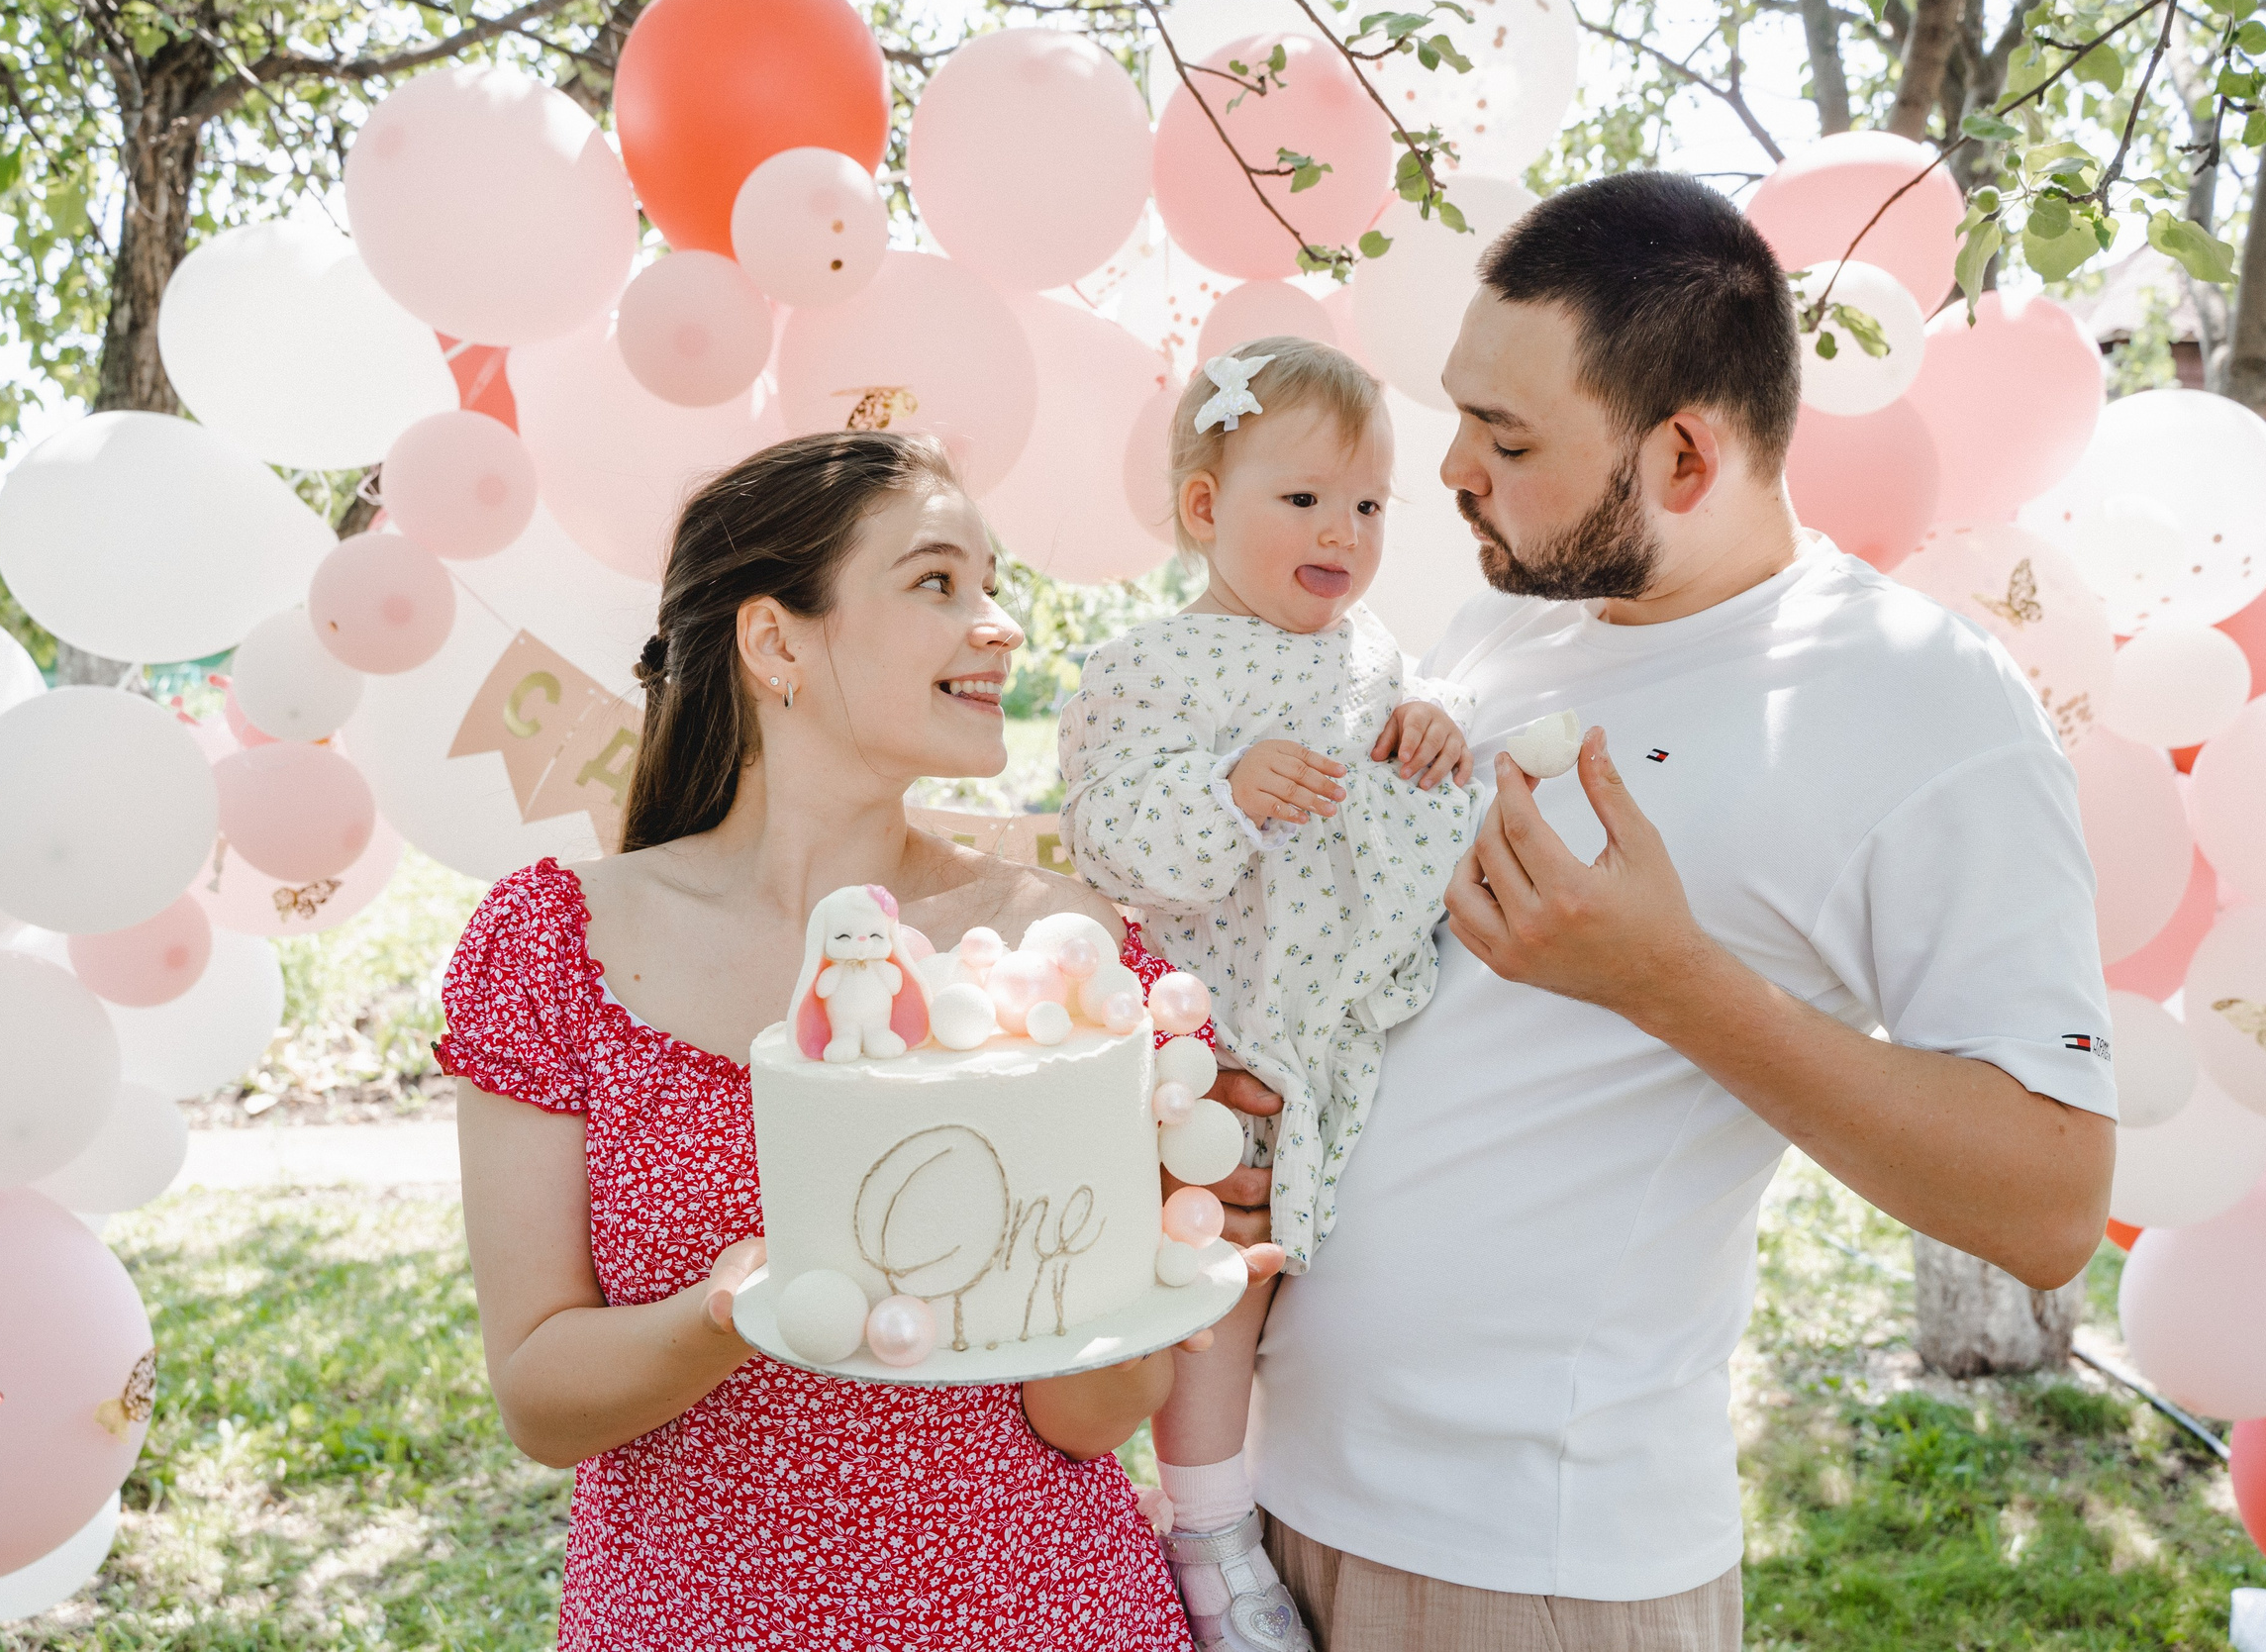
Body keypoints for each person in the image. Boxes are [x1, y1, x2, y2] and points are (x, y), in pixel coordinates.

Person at [1244, 172, 2118, 1650]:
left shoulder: (1920, 701)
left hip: (1530, 1566)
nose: (1450, 468)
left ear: (1686, 455)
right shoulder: (1502, 622)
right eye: (1461, 416)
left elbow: (2050, 1202)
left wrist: (1670, 983)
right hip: (1271, 1495)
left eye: (1508, 438)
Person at [441, 431, 1245, 1650]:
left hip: (1042, 1614)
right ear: (775, 644)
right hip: (691, 1622)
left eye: (992, 586)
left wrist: (1144, 1295)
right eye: (937, 582)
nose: (999, 627)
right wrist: (728, 1313)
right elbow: (541, 1400)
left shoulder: (1064, 952)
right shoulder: (556, 943)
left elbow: (1090, 1416)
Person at [1058, 338, 1484, 1652]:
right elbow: (1111, 833)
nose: (1341, 532)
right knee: (1221, 1288)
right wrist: (1224, 788)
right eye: (1302, 499)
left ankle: (1323, 1486)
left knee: (1340, 1285)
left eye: (1366, 504)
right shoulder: (1150, 666)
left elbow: (1402, 787)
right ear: (1204, 507)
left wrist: (1431, 725)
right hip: (1227, 1032)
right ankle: (1209, 1535)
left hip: (1350, 1031)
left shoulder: (1371, 655)